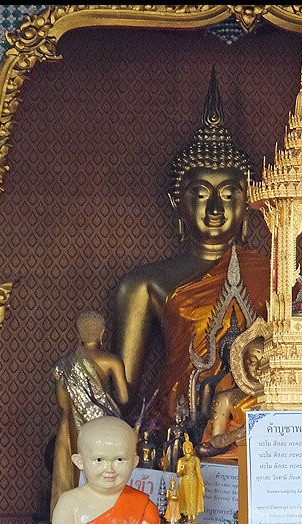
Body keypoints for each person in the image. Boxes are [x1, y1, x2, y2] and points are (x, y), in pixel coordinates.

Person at [113, 69, 269, 424]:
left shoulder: (275, 277)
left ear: (250, 205)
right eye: (200, 195)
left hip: (258, 432)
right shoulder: (143, 285)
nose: (215, 209)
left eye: (230, 195)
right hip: (176, 425)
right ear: (176, 203)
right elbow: (122, 397)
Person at [51, 310, 129, 513]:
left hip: (74, 428)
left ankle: (73, 516)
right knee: (108, 471)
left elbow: (63, 405)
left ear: (78, 333)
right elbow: (124, 399)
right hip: (106, 428)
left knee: (78, 470)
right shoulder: (112, 361)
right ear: (103, 333)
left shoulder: (64, 365)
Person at [199, 320, 266, 463]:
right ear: (240, 363)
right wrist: (241, 432)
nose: (259, 368)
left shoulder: (282, 396)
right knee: (203, 450)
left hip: (271, 453)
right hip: (236, 452)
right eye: (253, 361)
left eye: (265, 361)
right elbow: (215, 441)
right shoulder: (226, 398)